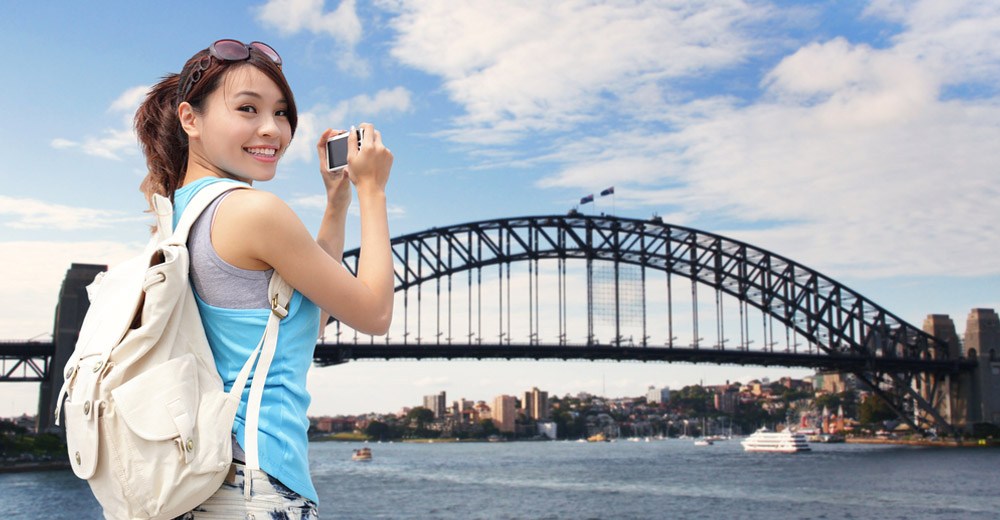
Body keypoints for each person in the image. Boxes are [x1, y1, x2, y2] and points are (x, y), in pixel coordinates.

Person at [133, 39, 394, 518]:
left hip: (201, 482)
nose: (271, 129)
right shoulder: (252, 211)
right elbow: (375, 313)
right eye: (247, 109)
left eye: (282, 113)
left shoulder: (180, 212)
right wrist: (373, 191)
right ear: (190, 119)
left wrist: (337, 203)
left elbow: (297, 323)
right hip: (260, 485)